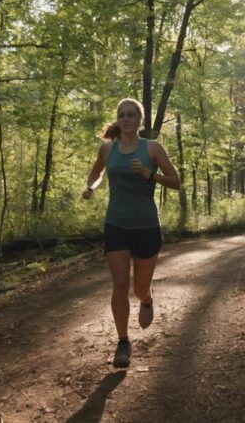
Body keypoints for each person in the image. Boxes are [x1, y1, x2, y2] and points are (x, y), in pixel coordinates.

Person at [82, 98, 180, 368]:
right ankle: (123, 341)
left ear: (140, 120)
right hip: (116, 224)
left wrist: (150, 175)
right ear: (118, 120)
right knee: (120, 284)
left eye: (130, 115)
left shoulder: (152, 148)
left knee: (138, 289)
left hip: (147, 226)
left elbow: (176, 182)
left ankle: (147, 299)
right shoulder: (107, 149)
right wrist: (91, 187)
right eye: (121, 115)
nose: (125, 119)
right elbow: (97, 173)